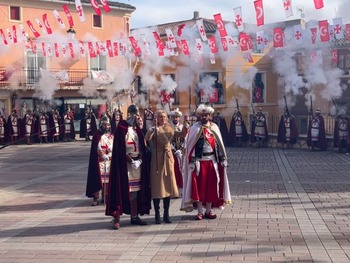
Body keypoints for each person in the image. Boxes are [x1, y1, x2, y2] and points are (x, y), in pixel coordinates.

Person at [181, 103, 231, 220]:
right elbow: (191, 147)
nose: (204, 117)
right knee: (199, 187)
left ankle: (208, 210)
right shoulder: (195, 128)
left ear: (210, 116)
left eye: (206, 115)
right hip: (199, 162)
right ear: (199, 116)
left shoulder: (214, 128)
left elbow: (219, 146)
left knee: (211, 187)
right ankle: (199, 211)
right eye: (202, 115)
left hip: (212, 161)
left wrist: (222, 159)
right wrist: (192, 161)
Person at [106, 104, 151, 230]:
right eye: (134, 114)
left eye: (137, 114)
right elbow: (120, 149)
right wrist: (130, 160)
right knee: (121, 190)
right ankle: (117, 217)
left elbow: (143, 147)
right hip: (125, 165)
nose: (136, 117)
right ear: (129, 114)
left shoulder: (138, 130)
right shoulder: (121, 127)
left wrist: (140, 160)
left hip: (137, 165)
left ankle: (134, 216)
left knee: (136, 192)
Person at [145, 109, 188, 224]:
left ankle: (166, 214)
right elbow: (147, 138)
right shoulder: (154, 128)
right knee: (157, 187)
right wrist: (151, 129)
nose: (163, 119)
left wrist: (186, 124)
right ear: (157, 118)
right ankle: (157, 215)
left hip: (168, 158)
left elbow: (182, 134)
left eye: (164, 117)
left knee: (168, 187)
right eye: (160, 117)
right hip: (157, 159)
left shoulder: (170, 128)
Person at [86, 115, 114, 206]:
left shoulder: (111, 136)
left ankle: (105, 196)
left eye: (108, 125)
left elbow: (113, 147)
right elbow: (96, 148)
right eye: (105, 125)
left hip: (109, 161)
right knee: (98, 179)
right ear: (101, 125)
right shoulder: (97, 136)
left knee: (107, 180)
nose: (107, 127)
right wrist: (102, 154)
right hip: (99, 161)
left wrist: (111, 150)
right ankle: (95, 197)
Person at [168, 108, 186, 197]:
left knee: (182, 170)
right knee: (173, 171)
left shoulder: (183, 127)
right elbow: (167, 140)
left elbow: (186, 139)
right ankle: (173, 190)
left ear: (179, 118)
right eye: (173, 117)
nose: (175, 119)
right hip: (171, 152)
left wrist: (181, 149)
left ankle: (182, 190)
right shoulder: (168, 127)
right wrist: (173, 149)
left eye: (177, 117)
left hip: (181, 153)